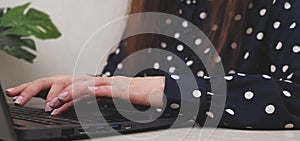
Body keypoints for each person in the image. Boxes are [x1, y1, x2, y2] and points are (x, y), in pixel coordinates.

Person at [5, 0, 300, 129]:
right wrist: (83, 88)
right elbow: (122, 84)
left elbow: (295, 95)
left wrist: (166, 88)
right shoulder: (156, 7)